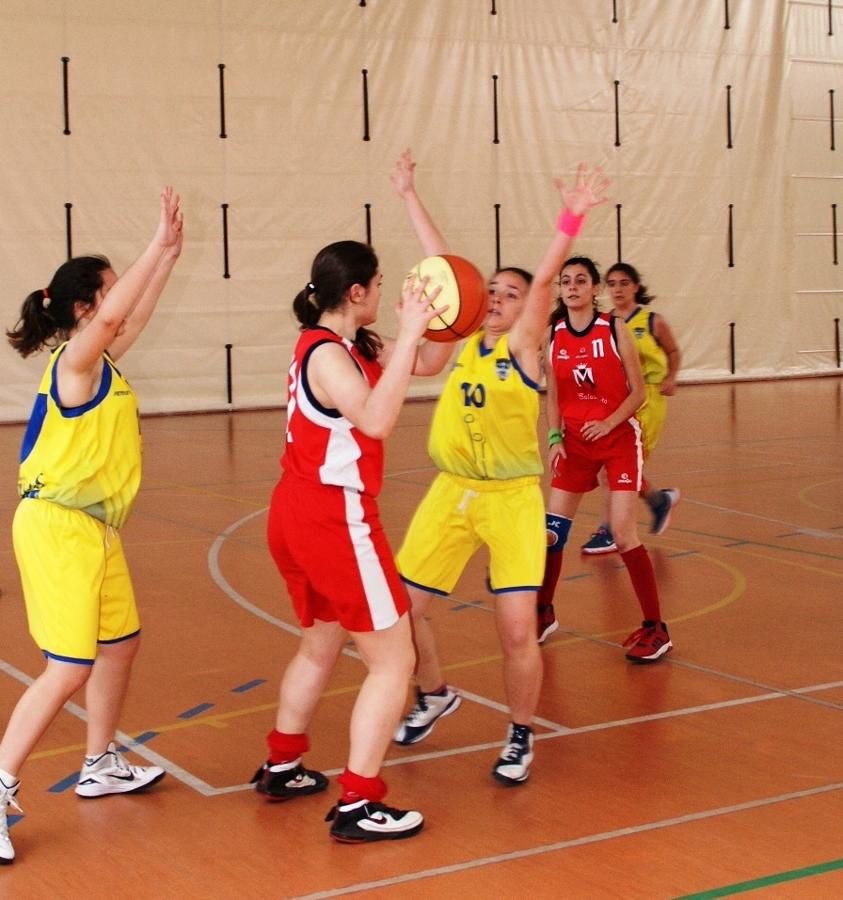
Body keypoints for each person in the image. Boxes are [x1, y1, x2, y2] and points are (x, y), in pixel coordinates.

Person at [390, 149, 609, 784]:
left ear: (525, 314)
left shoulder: (523, 349)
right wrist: (408, 193)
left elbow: (543, 286)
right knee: (404, 612)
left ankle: (519, 735)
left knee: (517, 631)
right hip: (451, 491)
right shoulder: (464, 340)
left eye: (509, 295)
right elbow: (445, 271)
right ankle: (434, 695)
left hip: (513, 498)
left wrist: (568, 223)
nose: (496, 299)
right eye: (492, 292)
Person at [0, 187, 184, 865]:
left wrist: (165, 258)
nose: (120, 306)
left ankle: (99, 762)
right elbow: (113, 322)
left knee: (119, 644)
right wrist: (151, 246)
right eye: (109, 294)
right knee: (67, 666)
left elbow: (129, 320)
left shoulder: (101, 359)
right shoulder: (76, 362)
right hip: (55, 526)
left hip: (94, 530)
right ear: (85, 309)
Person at [251, 240, 454, 843]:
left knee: (320, 645)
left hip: (297, 510)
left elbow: (427, 364)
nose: (387, 293)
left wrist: (446, 312)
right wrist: (413, 332)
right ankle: (360, 803)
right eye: (381, 284)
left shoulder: (347, 343)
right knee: (396, 661)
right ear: (356, 293)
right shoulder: (326, 356)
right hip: (332, 518)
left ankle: (282, 763)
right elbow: (375, 420)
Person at [536, 256, 674, 663]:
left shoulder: (613, 328)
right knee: (552, 532)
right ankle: (543, 612)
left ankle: (656, 628)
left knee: (622, 533)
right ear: (560, 290)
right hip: (575, 442)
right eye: (566, 281)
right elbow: (555, 397)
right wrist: (556, 437)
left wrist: (608, 421)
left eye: (581, 281)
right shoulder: (553, 334)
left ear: (594, 289)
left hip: (616, 438)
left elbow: (639, 393)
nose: (573, 287)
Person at [580, 262, 681, 554]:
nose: (618, 289)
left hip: (647, 399)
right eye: (612, 283)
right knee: (613, 465)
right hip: (617, 400)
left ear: (635, 287)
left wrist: (671, 376)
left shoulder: (652, 321)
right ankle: (658, 501)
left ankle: (609, 530)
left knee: (618, 466)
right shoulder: (604, 322)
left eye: (624, 283)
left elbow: (672, 350)